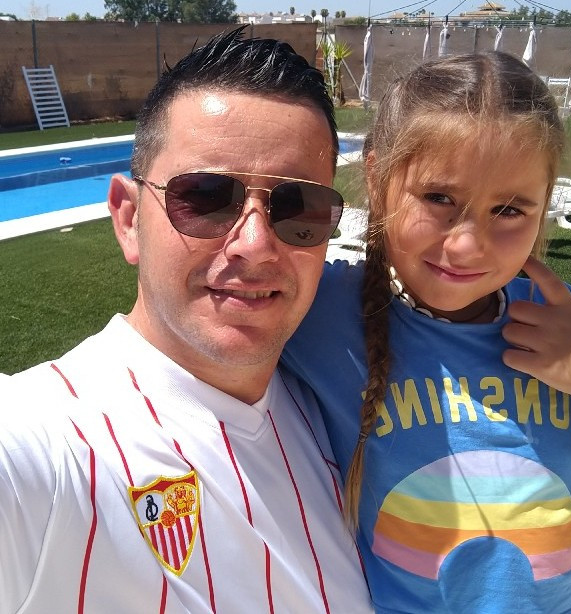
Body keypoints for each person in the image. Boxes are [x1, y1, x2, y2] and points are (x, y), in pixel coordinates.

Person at [0, 28, 373, 613]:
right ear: (129, 220)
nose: (255, 245)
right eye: (205, 197)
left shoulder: (330, 407)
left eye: (298, 208)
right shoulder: (53, 443)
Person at [283, 51, 571, 613]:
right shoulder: (321, 314)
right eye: (439, 199)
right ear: (377, 178)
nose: (466, 246)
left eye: (509, 210)